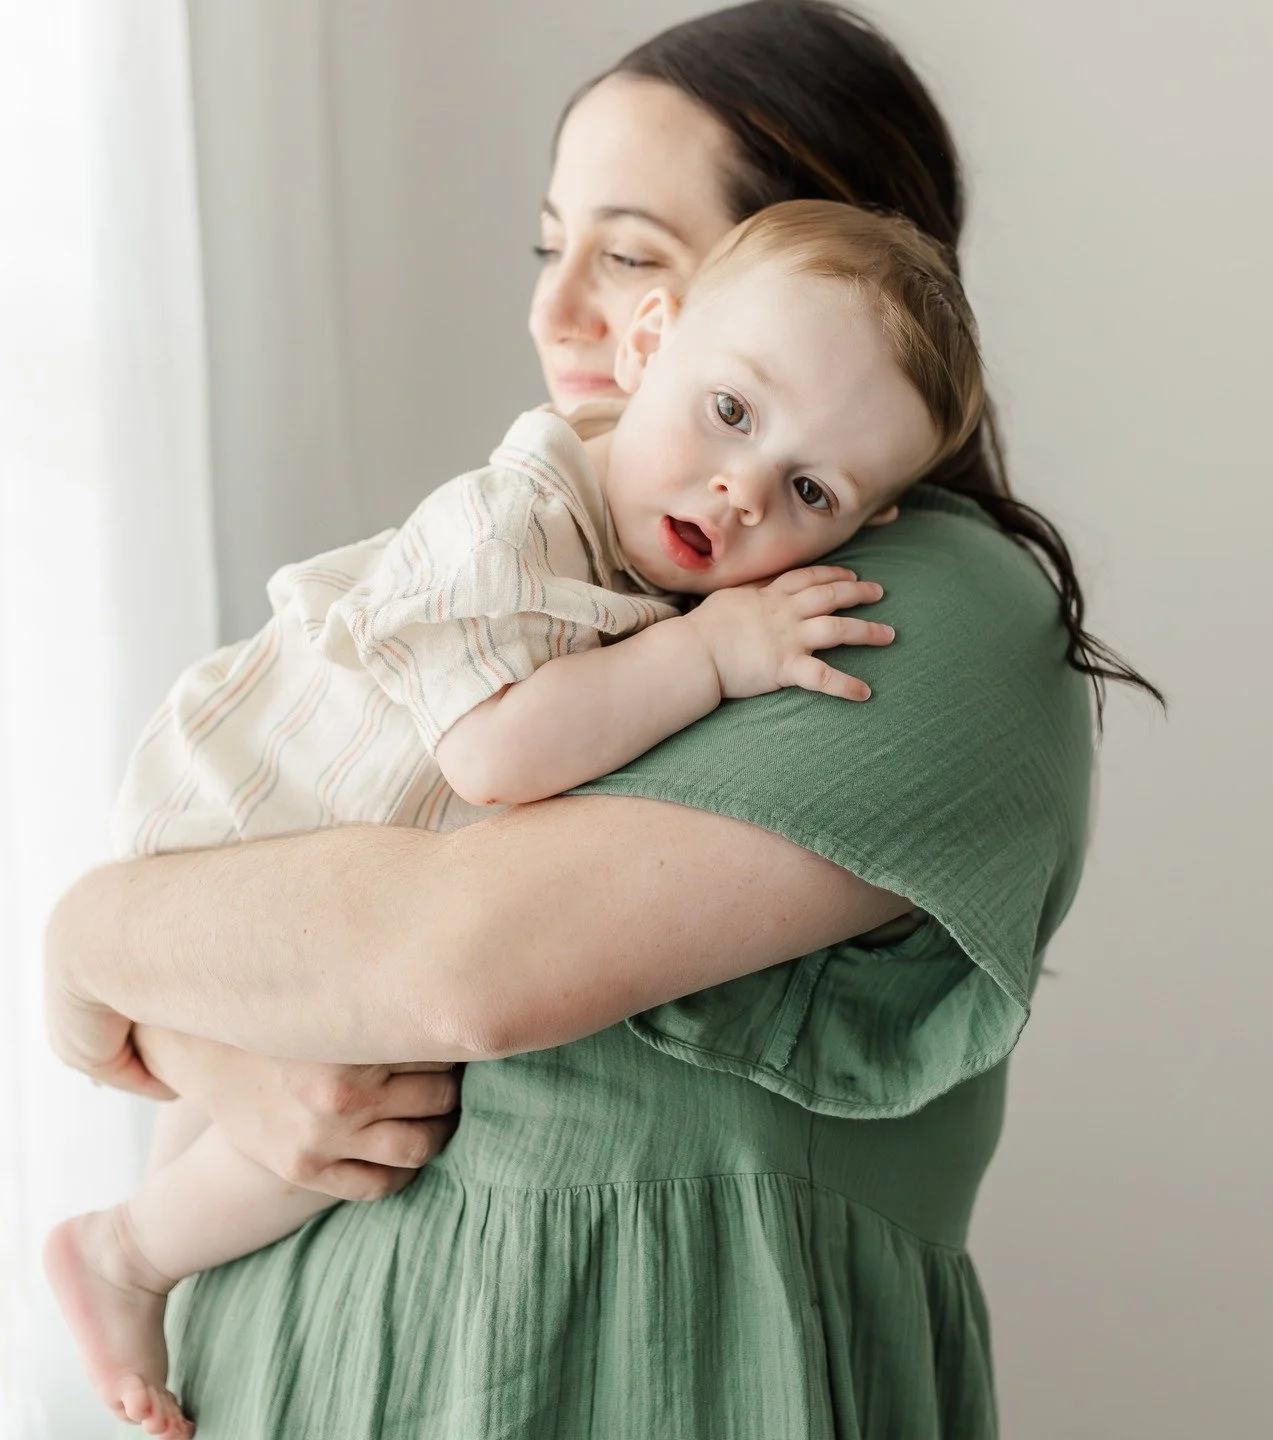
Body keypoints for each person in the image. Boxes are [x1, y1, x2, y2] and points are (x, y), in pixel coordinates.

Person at [43, 4, 1161, 1435]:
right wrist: (135, 976)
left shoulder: (901, 605)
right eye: (548, 244)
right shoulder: (566, 550)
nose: (556, 310)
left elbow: (457, 960)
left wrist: (102, 945)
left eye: (628, 250)